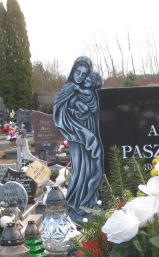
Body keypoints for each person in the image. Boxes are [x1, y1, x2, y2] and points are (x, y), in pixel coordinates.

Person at [53, 57, 103, 219]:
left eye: (84, 74)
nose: (80, 76)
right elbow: (59, 109)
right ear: (73, 71)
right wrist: (74, 116)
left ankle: (90, 201)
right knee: (79, 168)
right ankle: (76, 201)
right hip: (76, 134)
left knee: (92, 166)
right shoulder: (68, 88)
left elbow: (94, 108)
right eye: (77, 72)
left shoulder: (89, 90)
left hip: (89, 130)